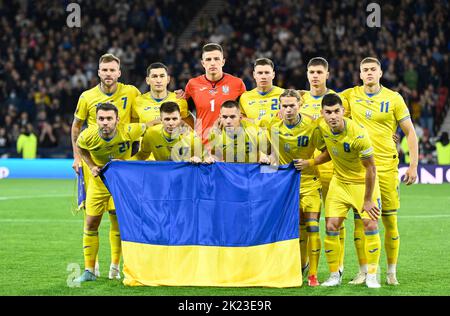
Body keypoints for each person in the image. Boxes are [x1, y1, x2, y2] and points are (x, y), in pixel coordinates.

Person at [340, 57, 418, 286]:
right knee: (360, 222)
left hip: (386, 167)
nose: (369, 73)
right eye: (365, 70)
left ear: (381, 72)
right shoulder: (350, 95)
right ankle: (363, 271)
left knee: (390, 221)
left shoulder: (394, 98)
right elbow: (321, 99)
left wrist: (413, 165)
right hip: (360, 169)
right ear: (360, 74)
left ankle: (391, 271)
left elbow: (410, 132)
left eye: (373, 69)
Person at [297, 93, 382, 288]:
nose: (333, 116)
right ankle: (334, 275)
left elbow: (371, 168)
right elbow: (328, 153)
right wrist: (311, 162)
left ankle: (372, 274)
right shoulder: (322, 126)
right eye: (328, 112)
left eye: (336, 111)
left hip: (363, 184)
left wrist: (368, 199)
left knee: (369, 224)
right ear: (322, 113)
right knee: (331, 226)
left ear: (343, 111)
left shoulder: (358, 134)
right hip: (340, 183)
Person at [71, 53, 141, 279]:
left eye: (113, 70)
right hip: (97, 166)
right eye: (105, 70)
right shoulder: (87, 96)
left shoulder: (131, 92)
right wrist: (77, 158)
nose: (108, 74)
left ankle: (114, 267)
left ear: (119, 73)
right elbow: (76, 127)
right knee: (92, 218)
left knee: (116, 216)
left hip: (121, 165)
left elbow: (148, 111)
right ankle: (90, 268)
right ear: (99, 72)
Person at [75, 103, 146, 282]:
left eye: (109, 119)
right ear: (96, 120)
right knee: (91, 223)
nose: (105, 122)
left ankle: (115, 267)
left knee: (118, 223)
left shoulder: (129, 130)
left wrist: (130, 161)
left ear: (117, 120)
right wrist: (91, 165)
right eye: (101, 119)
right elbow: (80, 148)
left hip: (119, 184)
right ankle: (90, 271)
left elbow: (151, 127)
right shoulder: (87, 136)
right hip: (98, 185)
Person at [265, 89, 323, 286]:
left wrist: (310, 162)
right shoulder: (273, 126)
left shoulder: (312, 127)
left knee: (313, 227)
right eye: (284, 106)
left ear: (299, 105)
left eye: (292, 105)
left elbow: (327, 153)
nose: (288, 109)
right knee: (296, 229)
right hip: (286, 186)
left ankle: (313, 274)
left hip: (310, 183)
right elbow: (265, 149)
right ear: (279, 108)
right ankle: (300, 267)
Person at [298, 57, 345, 278]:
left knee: (335, 219)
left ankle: (338, 265)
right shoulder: (300, 99)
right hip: (308, 170)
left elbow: (352, 128)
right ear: (307, 75)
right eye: (311, 72)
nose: (315, 76)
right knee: (309, 222)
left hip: (333, 169)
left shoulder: (337, 100)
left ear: (327, 74)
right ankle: (305, 265)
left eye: (319, 72)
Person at [184, 43, 246, 141]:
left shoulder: (237, 84)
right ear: (203, 63)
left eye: (216, 59)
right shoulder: (193, 84)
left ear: (223, 62)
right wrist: (195, 129)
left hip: (230, 144)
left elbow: (245, 114)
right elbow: (184, 113)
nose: (212, 63)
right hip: (203, 146)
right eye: (208, 59)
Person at [133, 102, 202, 162]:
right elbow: (142, 155)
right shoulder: (151, 133)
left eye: (174, 119)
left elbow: (205, 157)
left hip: (184, 174)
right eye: (167, 119)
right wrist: (124, 163)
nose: (171, 123)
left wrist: (198, 158)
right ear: (161, 119)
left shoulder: (191, 137)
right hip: (162, 174)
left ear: (180, 119)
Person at [136, 62, 194, 128]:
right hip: (146, 138)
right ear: (147, 80)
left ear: (168, 79)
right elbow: (132, 130)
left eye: (162, 76)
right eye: (154, 76)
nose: (158, 80)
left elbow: (191, 129)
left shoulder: (179, 99)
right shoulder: (137, 101)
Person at [238, 58, 284, 124]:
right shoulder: (244, 97)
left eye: (267, 73)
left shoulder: (284, 94)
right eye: (260, 73)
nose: (263, 76)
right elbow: (240, 118)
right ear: (254, 75)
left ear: (273, 75)